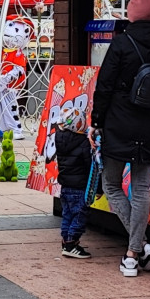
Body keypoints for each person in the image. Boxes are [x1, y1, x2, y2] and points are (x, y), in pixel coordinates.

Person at [90, 0, 150, 278]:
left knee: (111, 184)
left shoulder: (121, 43)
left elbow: (104, 86)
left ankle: (140, 246)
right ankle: (133, 256)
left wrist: (96, 121)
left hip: (118, 123)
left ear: (131, 14)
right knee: (140, 189)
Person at [55, 106, 93, 259]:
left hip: (65, 186)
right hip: (79, 186)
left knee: (67, 215)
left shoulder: (59, 138)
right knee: (79, 215)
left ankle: (66, 241)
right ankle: (71, 244)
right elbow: (89, 165)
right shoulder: (84, 142)